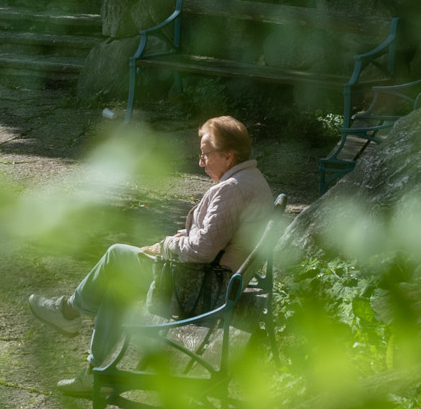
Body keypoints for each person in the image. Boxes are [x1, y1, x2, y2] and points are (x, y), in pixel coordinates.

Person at [27, 114, 274, 385]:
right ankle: (92, 370)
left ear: (229, 156)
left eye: (206, 155)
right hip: (217, 281)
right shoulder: (253, 180)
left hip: (203, 287)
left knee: (116, 255)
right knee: (118, 281)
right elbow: (217, 239)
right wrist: (182, 237)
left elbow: (203, 250)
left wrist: (166, 245)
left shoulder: (232, 189)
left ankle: (69, 312)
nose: (200, 162)